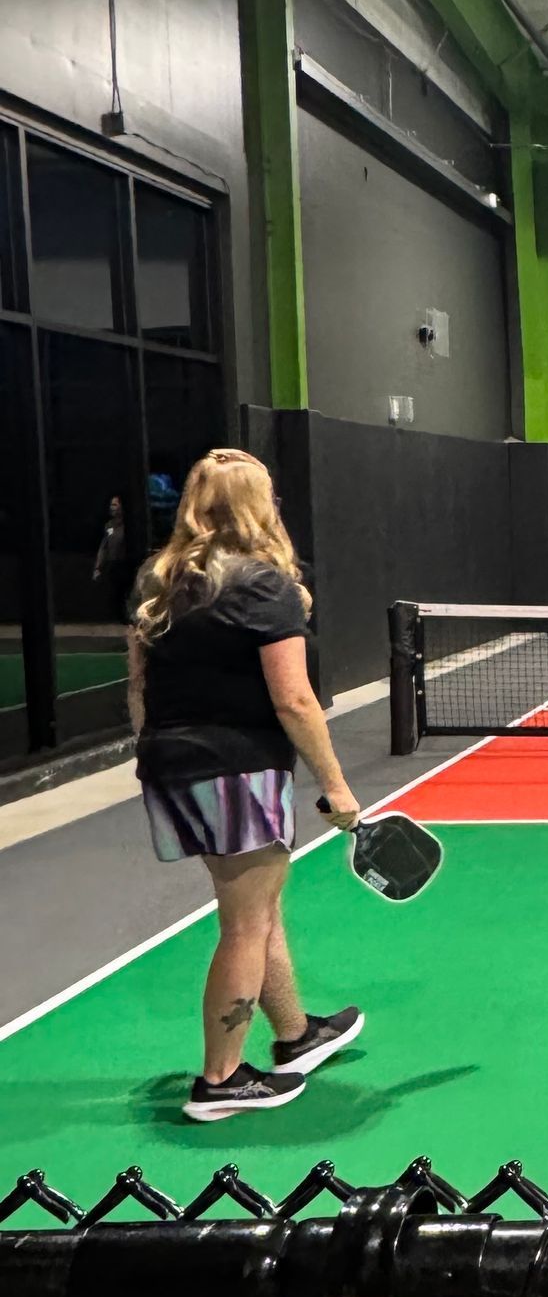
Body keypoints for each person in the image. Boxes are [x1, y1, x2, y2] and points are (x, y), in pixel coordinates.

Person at [127, 448, 363, 1123]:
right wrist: (337, 785)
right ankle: (221, 1079)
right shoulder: (266, 585)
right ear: (261, 506)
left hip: (173, 762)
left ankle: (296, 1037)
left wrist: (155, 751)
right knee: (246, 921)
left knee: (257, 906)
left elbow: (139, 681)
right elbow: (294, 700)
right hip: (236, 768)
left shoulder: (160, 578)